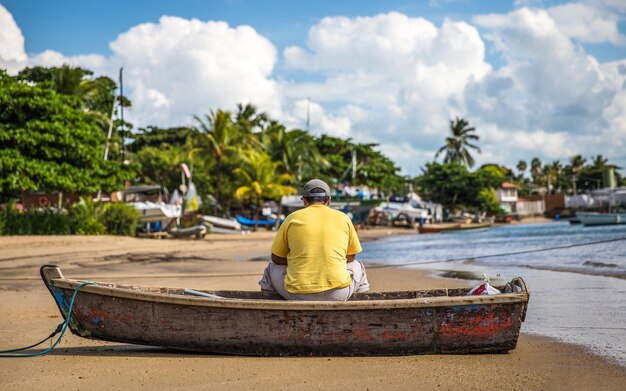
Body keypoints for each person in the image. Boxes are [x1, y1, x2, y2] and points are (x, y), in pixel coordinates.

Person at [259, 179, 370, 301]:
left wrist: (299, 261)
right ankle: (361, 311)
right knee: (358, 266)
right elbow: (350, 257)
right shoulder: (344, 218)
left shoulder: (291, 219)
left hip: (297, 294)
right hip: (338, 293)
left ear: (304, 200)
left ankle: (268, 309)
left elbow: (276, 258)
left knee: (271, 268)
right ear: (328, 200)